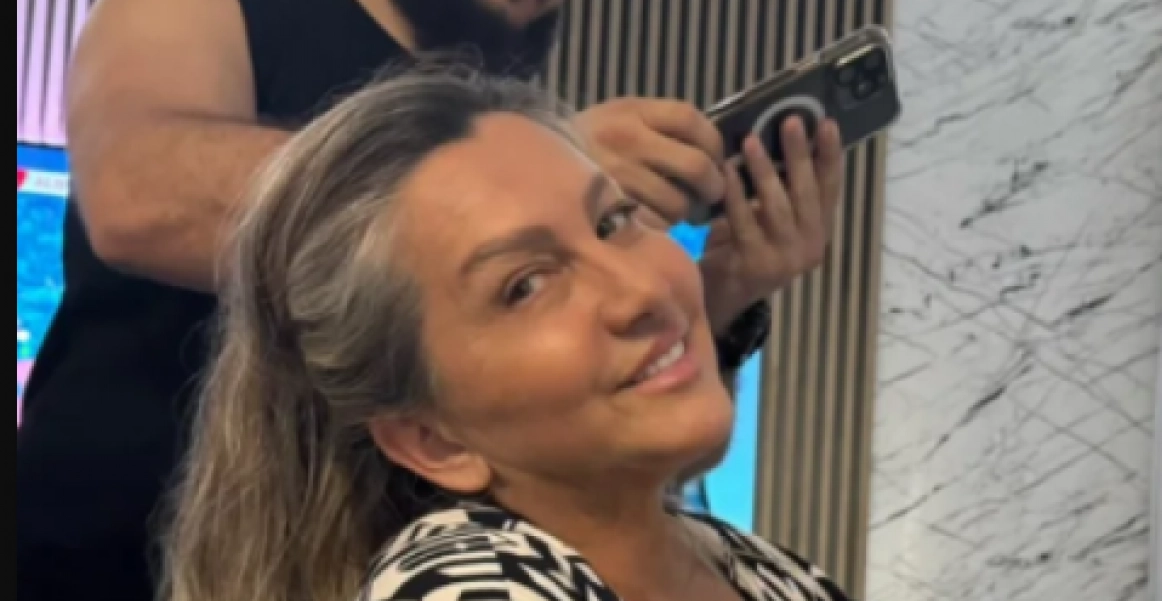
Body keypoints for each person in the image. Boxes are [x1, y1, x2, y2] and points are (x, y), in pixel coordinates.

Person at [15, 1, 832, 598]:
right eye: (523, 283)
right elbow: (135, 191)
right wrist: (526, 168)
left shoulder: (493, 65)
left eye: (612, 220)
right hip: (96, 554)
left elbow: (575, 439)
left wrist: (718, 305)